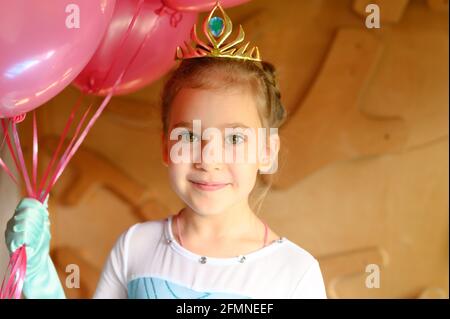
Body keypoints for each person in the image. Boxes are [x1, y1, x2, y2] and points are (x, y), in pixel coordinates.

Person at [5, 2, 327, 299]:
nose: (207, 158)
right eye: (188, 136)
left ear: (267, 151)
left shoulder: (295, 273)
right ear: (165, 146)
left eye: (234, 139)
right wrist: (38, 275)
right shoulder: (135, 247)